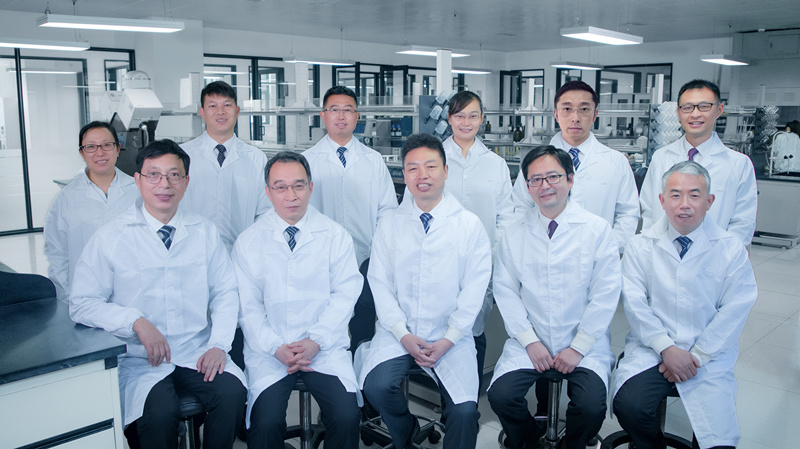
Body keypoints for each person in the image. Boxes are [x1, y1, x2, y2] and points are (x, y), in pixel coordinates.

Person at [69, 140, 246, 449]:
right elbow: (82, 303)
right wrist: (135, 320)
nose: (164, 184)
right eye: (154, 175)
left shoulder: (204, 231)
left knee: (231, 393)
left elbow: (225, 291)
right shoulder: (111, 236)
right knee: (160, 414)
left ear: (186, 182)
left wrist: (219, 345)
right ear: (138, 180)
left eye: (174, 175)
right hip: (140, 359)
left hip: (196, 350)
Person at [357, 134, 492, 449]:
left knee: (464, 412)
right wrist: (402, 334)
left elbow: (474, 290)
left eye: (431, 166)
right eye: (413, 168)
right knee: (377, 387)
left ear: (446, 171)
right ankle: (406, 433)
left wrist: (450, 337)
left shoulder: (469, 225)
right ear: (404, 175)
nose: (423, 175)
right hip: (399, 334)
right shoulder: (390, 224)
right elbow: (380, 283)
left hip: (451, 338)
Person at [612, 161, 758, 449]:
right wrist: (667, 349)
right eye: (675, 195)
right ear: (662, 200)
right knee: (629, 406)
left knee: (717, 441)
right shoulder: (640, 246)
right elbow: (635, 305)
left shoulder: (730, 249)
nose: (684, 204)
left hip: (707, 356)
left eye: (694, 195)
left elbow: (735, 310)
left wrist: (697, 356)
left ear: (709, 201)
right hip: (653, 350)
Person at [488, 145, 621, 449]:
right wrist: (530, 341)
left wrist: (579, 346)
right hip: (530, 341)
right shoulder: (514, 233)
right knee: (501, 396)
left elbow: (605, 294)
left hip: (583, 342)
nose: (544, 185)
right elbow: (506, 290)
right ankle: (530, 441)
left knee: (590, 407)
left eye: (553, 177)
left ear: (570, 179)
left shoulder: (596, 230)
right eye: (535, 180)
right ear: (527, 187)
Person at [232, 151, 362, 448]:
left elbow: (346, 294)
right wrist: (274, 346)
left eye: (298, 185)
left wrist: (316, 340)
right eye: (280, 187)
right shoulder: (249, 241)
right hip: (270, 352)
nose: (291, 195)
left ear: (310, 187)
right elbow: (247, 307)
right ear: (268, 192)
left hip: (324, 349)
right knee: (265, 423)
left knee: (346, 417)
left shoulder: (335, 235)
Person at [303, 85, 398, 353]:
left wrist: (378, 254)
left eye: (348, 110)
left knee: (363, 330)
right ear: (323, 116)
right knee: (324, 330)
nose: (341, 116)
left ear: (357, 117)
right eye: (334, 110)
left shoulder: (373, 160)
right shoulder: (306, 161)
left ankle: (360, 374)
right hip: (320, 262)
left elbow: (387, 211)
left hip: (366, 260)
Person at [439, 90, 515, 388]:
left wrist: (493, 254)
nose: (466, 122)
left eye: (473, 116)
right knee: (441, 327)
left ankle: (468, 395)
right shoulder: (434, 158)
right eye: (459, 115)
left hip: (482, 262)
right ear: (449, 118)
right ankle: (445, 395)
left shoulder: (495, 164)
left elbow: (506, 217)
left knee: (473, 328)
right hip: (439, 259)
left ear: (482, 119)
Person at [511, 80, 639, 254]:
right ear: (556, 114)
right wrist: (534, 245)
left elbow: (628, 214)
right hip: (542, 252)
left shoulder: (616, 162)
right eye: (567, 109)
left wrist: (608, 249)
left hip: (598, 255)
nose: (575, 117)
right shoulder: (536, 161)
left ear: (595, 115)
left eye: (584, 109)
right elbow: (520, 207)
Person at [640, 79, 757, 248]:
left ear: (719, 110)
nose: (695, 114)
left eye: (704, 106)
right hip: (663, 252)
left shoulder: (739, 164)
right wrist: (651, 248)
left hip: (716, 255)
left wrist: (724, 255)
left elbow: (743, 221)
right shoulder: (661, 157)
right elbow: (649, 210)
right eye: (687, 107)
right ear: (678, 112)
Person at [44, 121, 140, 301]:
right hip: (85, 293)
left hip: (132, 293)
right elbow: (57, 253)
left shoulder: (138, 191)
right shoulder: (66, 198)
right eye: (91, 147)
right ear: (82, 153)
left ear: (118, 149)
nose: (100, 152)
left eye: (106, 145)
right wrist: (69, 296)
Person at [180, 80, 271, 253]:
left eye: (227, 105)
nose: (220, 111)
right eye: (212, 106)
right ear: (202, 113)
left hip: (242, 254)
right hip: (192, 253)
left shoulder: (256, 158)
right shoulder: (183, 156)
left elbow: (265, 212)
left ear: (237, 111)